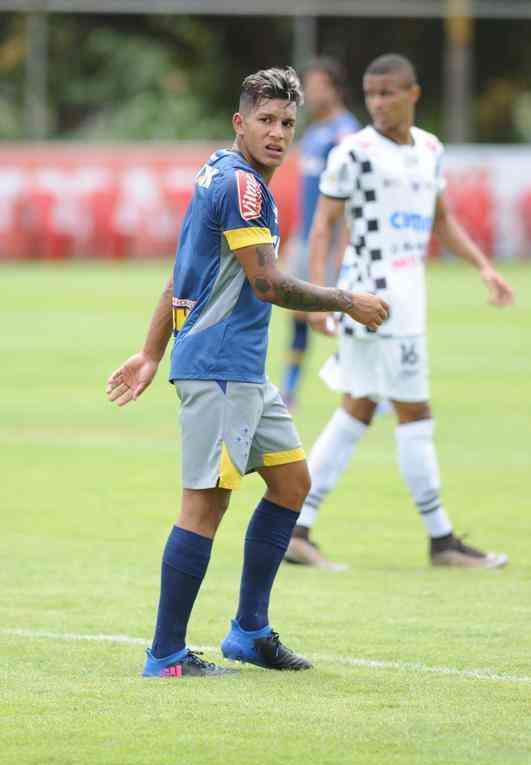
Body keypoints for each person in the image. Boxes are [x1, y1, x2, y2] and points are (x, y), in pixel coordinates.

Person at [106, 66, 389, 678]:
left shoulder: (220, 170)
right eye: (265, 121)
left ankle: (249, 632)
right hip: (219, 370)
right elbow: (266, 283)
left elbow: (183, 270)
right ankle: (166, 655)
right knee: (204, 508)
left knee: (292, 483)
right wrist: (346, 300)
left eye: (287, 123)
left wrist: (152, 351)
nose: (278, 133)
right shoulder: (243, 188)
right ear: (240, 122)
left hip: (242, 372)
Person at [286, 54, 514, 570]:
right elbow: (322, 224)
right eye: (371, 94)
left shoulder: (430, 149)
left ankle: (296, 528)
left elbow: (442, 220)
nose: (379, 103)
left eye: (389, 93)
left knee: (359, 407)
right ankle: (442, 541)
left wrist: (483, 267)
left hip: (410, 300)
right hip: (373, 300)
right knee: (415, 412)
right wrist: (319, 297)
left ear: (414, 93)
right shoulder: (354, 152)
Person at [281, 58, 359, 410]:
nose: (310, 93)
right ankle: (290, 388)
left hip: (333, 241)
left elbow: (353, 195)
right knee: (297, 312)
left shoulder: (347, 133)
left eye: (317, 86)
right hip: (306, 239)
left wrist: (345, 243)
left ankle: (371, 388)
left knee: (346, 314)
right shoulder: (312, 134)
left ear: (335, 89)